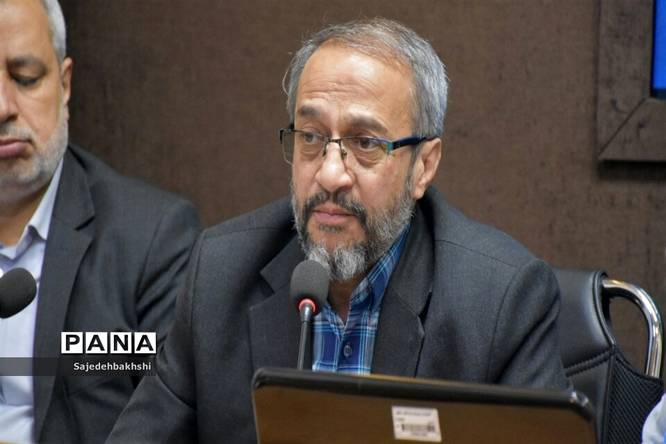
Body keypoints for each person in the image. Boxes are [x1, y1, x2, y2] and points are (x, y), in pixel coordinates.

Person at [109, 18, 569, 443]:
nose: (330, 174)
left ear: (423, 166)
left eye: (365, 143)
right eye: (311, 137)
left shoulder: (499, 301)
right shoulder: (219, 273)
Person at [0, 0, 201, 442]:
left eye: (25, 78)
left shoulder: (152, 238)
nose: (3, 107)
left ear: (65, 84)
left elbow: (168, 423)